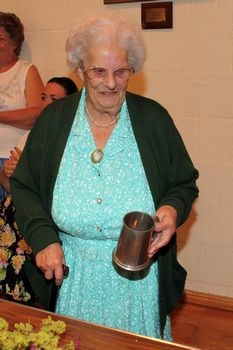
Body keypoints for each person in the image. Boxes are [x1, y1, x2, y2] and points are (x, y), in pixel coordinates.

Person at [10, 13, 199, 340]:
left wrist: (171, 209)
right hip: (72, 279)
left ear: (131, 70)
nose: (110, 83)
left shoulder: (154, 120)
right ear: (81, 69)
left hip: (138, 284)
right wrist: (44, 239)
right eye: (98, 71)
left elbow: (182, 183)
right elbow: (24, 187)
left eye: (121, 71)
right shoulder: (54, 120)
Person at [0, 77, 78, 305]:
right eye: (43, 97)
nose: (45, 103)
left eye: (54, 99)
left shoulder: (73, 141)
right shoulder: (29, 135)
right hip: (16, 212)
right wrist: (8, 173)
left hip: (44, 216)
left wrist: (29, 173)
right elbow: (10, 189)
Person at [0, 12, 44, 201]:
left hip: (9, 160)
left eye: (0, 39)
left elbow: (36, 115)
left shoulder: (26, 71)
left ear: (15, 42)